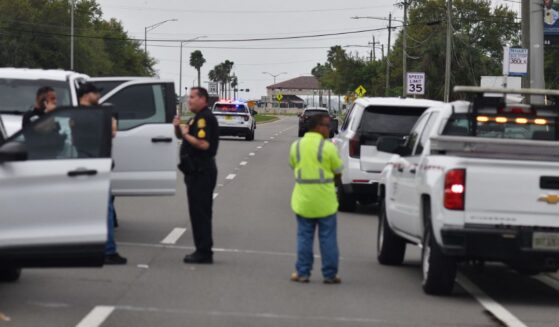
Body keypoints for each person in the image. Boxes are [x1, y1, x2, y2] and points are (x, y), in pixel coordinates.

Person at [289, 113, 343, 284]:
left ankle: (303, 272)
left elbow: (293, 165)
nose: (329, 129)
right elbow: (338, 170)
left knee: (304, 237)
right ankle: (330, 274)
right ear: (317, 127)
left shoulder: (296, 146)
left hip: (303, 200)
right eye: (327, 126)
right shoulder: (328, 148)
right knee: (328, 239)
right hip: (325, 201)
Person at [77, 82, 126, 265]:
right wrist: (111, 119)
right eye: (96, 93)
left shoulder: (76, 114)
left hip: (84, 166)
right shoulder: (95, 115)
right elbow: (113, 132)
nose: (98, 96)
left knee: (89, 210)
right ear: (87, 94)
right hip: (95, 166)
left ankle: (86, 247)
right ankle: (108, 250)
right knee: (104, 210)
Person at [173, 87, 219, 264]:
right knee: (197, 212)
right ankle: (202, 249)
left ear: (202, 99)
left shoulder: (205, 119)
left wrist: (184, 133)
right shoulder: (196, 119)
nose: (189, 100)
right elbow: (185, 138)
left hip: (202, 171)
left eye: (192, 97)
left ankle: (204, 252)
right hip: (195, 171)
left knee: (200, 213)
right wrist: (178, 129)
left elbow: (203, 144)